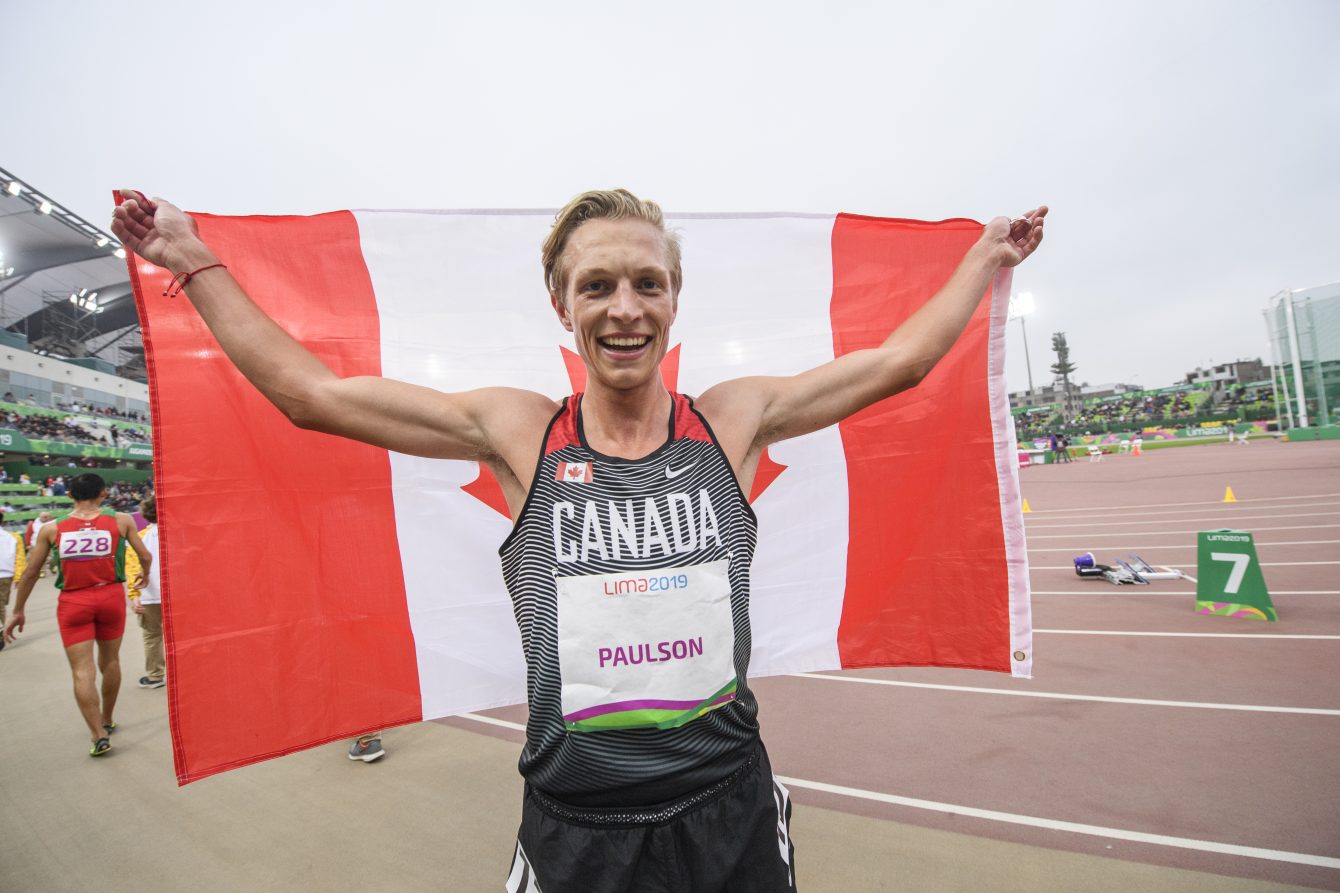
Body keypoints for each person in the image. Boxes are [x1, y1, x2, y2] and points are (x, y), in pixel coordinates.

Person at [112, 188, 1045, 890]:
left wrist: (985, 259)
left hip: (730, 809)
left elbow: (900, 363)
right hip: (578, 830)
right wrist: (190, 261)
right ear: (563, 307)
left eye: (648, 283)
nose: (625, 308)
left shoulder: (731, 422)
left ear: (676, 297)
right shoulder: (522, 433)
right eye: (596, 286)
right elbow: (312, 397)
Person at [4, 473, 152, 756]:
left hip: (73, 601)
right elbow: (145, 556)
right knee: (110, 662)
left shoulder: (50, 528)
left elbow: (32, 572)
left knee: (81, 671)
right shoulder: (121, 521)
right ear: (104, 493)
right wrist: (144, 576)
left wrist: (19, 610)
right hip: (109, 596)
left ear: (70, 495)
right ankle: (107, 719)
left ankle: (97, 734)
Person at [124, 495, 165, 689]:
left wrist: (135, 596)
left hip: (149, 595)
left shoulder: (139, 538)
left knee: (152, 636)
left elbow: (132, 569)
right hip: (178, 595)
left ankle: (155, 675)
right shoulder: (181, 534)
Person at [0, 512, 26, 653]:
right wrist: (18, 577)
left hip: (4, 575)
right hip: (6, 576)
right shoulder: (13, 536)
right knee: (1, 605)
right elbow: (20, 558)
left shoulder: (13, 537)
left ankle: (1, 635)